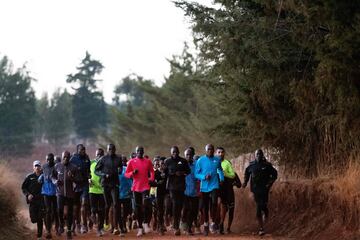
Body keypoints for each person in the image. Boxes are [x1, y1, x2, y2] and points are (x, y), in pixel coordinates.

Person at [243, 149, 278, 236]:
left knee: (264, 206)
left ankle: (266, 217)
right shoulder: (251, 165)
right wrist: (245, 182)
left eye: (260, 154)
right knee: (259, 206)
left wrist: (269, 184)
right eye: (257, 154)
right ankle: (261, 228)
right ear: (255, 155)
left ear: (262, 155)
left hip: (264, 190)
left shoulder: (267, 165)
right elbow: (247, 173)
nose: (258, 155)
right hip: (255, 190)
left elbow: (275, 174)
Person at [125, 146, 155, 237]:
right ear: (136, 152)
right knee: (138, 208)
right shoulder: (131, 161)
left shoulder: (148, 161)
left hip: (145, 187)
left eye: (141, 151)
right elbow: (126, 174)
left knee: (146, 204)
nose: (140, 152)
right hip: (136, 188)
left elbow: (152, 171)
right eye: (138, 151)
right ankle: (140, 228)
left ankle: (146, 223)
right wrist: (132, 173)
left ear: (143, 152)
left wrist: (151, 179)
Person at [195, 144, 224, 236]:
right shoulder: (200, 160)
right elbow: (196, 174)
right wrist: (204, 176)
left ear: (213, 150)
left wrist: (222, 178)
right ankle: (206, 225)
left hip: (214, 185)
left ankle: (213, 222)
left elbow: (220, 170)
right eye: (208, 149)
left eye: (211, 149)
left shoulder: (217, 159)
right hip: (204, 187)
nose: (210, 151)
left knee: (214, 202)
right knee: (205, 206)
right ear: (206, 150)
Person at [95, 144, 122, 235]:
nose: (111, 150)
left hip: (114, 184)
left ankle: (117, 227)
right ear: (107, 150)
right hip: (105, 184)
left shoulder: (119, 158)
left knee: (116, 204)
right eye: (109, 149)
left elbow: (121, 168)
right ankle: (100, 226)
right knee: (106, 205)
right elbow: (96, 170)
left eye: (113, 149)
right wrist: (104, 175)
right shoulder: (103, 159)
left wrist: (120, 170)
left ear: (115, 149)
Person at [52, 151, 80, 240]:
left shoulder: (74, 167)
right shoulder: (57, 166)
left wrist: (72, 177)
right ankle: (61, 224)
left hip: (70, 193)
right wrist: (55, 181)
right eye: (64, 157)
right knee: (59, 210)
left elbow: (78, 180)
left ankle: (68, 230)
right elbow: (52, 177)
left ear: (69, 158)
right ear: (62, 156)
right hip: (60, 193)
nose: (66, 159)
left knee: (69, 213)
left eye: (67, 157)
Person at [164, 146, 190, 235]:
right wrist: (173, 173)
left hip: (181, 186)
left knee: (180, 206)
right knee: (175, 205)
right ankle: (176, 227)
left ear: (179, 152)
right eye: (173, 152)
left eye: (176, 152)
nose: (175, 153)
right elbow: (164, 173)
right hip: (171, 187)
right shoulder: (167, 161)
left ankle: (179, 223)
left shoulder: (183, 161)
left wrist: (182, 173)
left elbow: (188, 171)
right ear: (171, 153)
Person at [216, 147, 238, 234]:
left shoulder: (227, 163)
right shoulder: (212, 162)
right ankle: (215, 223)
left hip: (225, 188)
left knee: (223, 206)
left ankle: (221, 224)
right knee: (215, 206)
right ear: (215, 153)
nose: (220, 154)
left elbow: (233, 175)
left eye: (222, 152)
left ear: (224, 153)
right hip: (213, 187)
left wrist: (225, 174)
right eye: (219, 152)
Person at [70, 144, 91, 234]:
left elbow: (88, 170)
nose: (84, 151)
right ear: (78, 150)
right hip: (75, 185)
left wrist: (89, 175)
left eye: (84, 149)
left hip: (84, 184)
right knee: (75, 207)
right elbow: (69, 171)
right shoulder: (73, 159)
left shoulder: (87, 158)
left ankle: (84, 225)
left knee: (84, 204)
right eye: (82, 150)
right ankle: (77, 224)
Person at [22, 160, 44, 240]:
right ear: (33, 167)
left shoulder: (43, 176)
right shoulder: (29, 177)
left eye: (38, 166)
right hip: (33, 201)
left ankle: (39, 236)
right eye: (35, 166)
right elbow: (23, 188)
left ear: (40, 167)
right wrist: (28, 194)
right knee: (33, 219)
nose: (37, 167)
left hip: (42, 201)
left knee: (40, 218)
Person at [38, 153, 59, 239]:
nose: (48, 161)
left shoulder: (56, 167)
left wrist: (55, 179)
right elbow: (41, 176)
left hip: (55, 193)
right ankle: (48, 230)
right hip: (46, 192)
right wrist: (40, 179)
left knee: (55, 211)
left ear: (53, 159)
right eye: (47, 159)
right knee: (48, 211)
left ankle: (57, 227)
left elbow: (59, 177)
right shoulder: (44, 167)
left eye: (50, 159)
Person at [182, 147, 200, 235]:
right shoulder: (181, 165)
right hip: (184, 192)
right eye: (187, 155)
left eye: (190, 155)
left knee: (194, 211)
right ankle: (186, 225)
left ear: (193, 155)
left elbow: (200, 174)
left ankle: (189, 226)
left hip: (195, 191)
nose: (189, 156)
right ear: (184, 156)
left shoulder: (197, 164)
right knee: (186, 208)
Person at [89, 148, 105, 237]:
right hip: (92, 189)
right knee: (94, 209)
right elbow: (87, 173)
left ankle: (100, 228)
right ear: (95, 155)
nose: (99, 156)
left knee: (101, 210)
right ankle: (92, 218)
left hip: (102, 190)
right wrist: (88, 179)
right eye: (97, 154)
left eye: (101, 154)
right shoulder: (91, 163)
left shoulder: (105, 164)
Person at [118, 155, 133, 237]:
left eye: (124, 161)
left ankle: (124, 224)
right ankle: (120, 227)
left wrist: (131, 189)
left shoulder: (127, 170)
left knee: (125, 212)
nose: (122, 162)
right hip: (117, 194)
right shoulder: (115, 170)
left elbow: (130, 180)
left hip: (126, 194)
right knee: (118, 211)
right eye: (121, 161)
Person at [154, 157, 168, 235]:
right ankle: (160, 226)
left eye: (163, 164)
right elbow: (151, 183)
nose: (162, 165)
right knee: (160, 210)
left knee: (167, 207)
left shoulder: (167, 172)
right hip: (158, 193)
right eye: (161, 163)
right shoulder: (155, 173)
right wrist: (157, 183)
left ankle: (163, 223)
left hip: (167, 193)